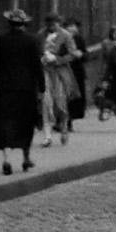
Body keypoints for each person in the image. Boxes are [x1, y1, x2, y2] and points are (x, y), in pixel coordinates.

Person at [0, 9, 44, 175]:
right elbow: (37, 65)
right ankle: (25, 157)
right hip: (26, 88)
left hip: (5, 87)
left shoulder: (1, 40)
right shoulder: (31, 40)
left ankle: (6, 160)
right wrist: (42, 87)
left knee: (5, 122)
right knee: (25, 122)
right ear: (24, 24)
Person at [38, 13, 79, 148]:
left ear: (59, 23)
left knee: (60, 101)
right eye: (49, 25)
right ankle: (47, 136)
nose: (52, 27)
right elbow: (36, 51)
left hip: (60, 72)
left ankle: (64, 126)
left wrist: (57, 59)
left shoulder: (66, 35)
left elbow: (72, 54)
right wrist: (41, 59)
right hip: (45, 72)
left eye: (54, 24)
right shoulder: (40, 35)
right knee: (46, 101)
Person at [62, 18, 90, 129]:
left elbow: (86, 54)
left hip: (77, 72)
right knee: (64, 97)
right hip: (64, 71)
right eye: (70, 26)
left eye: (74, 26)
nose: (72, 29)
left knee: (76, 98)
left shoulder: (79, 39)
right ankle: (64, 120)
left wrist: (81, 55)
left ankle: (70, 120)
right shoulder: (60, 39)